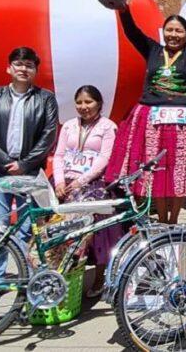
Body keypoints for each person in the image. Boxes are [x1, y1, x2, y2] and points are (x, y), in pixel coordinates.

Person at [104, 0, 186, 224]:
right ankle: (161, 218)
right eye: (169, 30)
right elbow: (131, 31)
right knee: (157, 172)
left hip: (183, 122)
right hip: (153, 120)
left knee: (178, 172)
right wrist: (123, 8)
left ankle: (173, 219)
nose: (173, 35)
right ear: (163, 32)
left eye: (179, 31)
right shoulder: (153, 50)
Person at [0, 47, 58, 294]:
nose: (24, 69)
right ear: (9, 68)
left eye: (29, 65)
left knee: (27, 230)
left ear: (35, 71)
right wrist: (4, 161)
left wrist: (23, 164)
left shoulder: (45, 98)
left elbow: (48, 135)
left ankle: (25, 281)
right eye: (19, 64)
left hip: (29, 173)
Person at [52, 85, 119, 298]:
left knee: (99, 232)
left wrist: (81, 181)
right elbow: (59, 155)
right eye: (79, 102)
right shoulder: (69, 126)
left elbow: (104, 158)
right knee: (60, 231)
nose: (84, 107)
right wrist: (60, 181)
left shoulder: (108, 127)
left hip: (94, 184)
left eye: (88, 102)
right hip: (66, 184)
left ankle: (99, 277)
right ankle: (64, 278)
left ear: (99, 103)